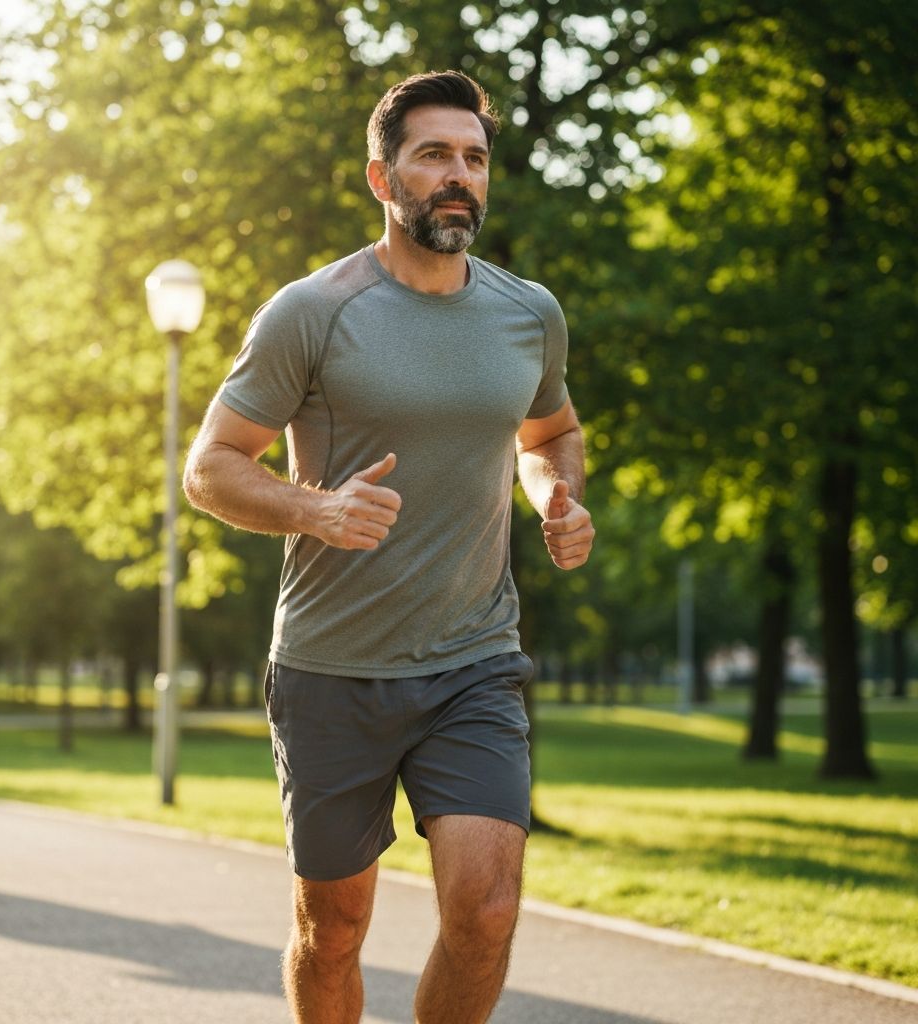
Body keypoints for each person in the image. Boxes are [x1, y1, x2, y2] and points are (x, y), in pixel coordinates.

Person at [183, 69, 593, 1024]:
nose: (460, 176)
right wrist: (314, 510)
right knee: (333, 930)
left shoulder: (528, 312)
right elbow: (210, 467)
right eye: (434, 155)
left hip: (473, 659)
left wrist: (556, 496)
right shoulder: (311, 311)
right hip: (333, 665)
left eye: (475, 159)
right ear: (382, 177)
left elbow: (550, 432)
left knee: (487, 912)